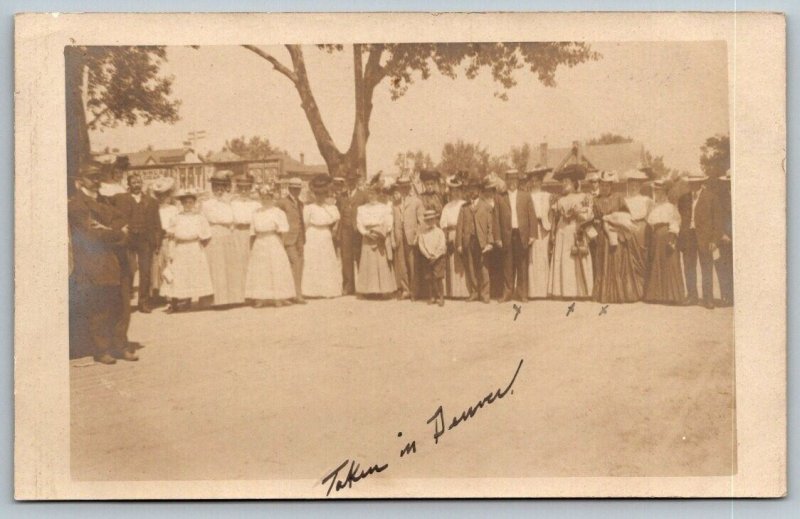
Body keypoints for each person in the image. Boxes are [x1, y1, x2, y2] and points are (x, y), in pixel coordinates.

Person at [69, 163, 137, 364]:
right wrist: (118, 232)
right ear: (79, 181)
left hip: (118, 260)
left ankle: (120, 346)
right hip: (96, 262)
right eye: (92, 177)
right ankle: (101, 349)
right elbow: (92, 234)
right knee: (101, 307)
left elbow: (123, 221)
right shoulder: (76, 206)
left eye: (98, 177)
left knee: (122, 306)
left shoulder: (106, 201)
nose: (96, 181)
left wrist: (111, 229)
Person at [111, 171, 162, 313]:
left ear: (142, 184)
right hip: (128, 239)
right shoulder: (120, 199)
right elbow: (111, 214)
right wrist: (120, 228)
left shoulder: (151, 201)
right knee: (127, 270)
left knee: (145, 272)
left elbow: (157, 224)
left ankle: (144, 303)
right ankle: (125, 303)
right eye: (133, 183)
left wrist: (157, 243)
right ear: (129, 184)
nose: (136, 185)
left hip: (145, 240)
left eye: (139, 182)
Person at [592, 170, 646, 304]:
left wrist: (615, 220)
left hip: (617, 234)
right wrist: (598, 221)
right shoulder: (595, 200)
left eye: (607, 185)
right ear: (599, 185)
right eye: (602, 185)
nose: (604, 188)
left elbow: (627, 215)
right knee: (603, 262)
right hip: (602, 236)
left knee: (617, 261)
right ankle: (604, 294)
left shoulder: (618, 198)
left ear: (611, 186)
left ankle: (620, 293)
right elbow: (593, 218)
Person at [677, 172, 723, 309]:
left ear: (701, 183)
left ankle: (708, 299)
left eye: (696, 183)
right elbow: (682, 217)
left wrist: (714, 240)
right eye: (691, 183)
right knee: (689, 267)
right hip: (688, 237)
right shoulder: (683, 198)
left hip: (705, 238)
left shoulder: (711, 198)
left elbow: (718, 221)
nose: (693, 185)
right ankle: (692, 296)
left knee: (707, 268)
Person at [245, 185, 296, 307]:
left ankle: (278, 297)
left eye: (268, 198)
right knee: (261, 270)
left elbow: (284, 230)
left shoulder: (278, 212)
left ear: (272, 198)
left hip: (273, 241)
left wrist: (280, 244)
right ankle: (260, 298)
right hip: (260, 242)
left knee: (276, 268)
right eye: (263, 198)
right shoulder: (256, 212)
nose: (265, 200)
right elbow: (252, 231)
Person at [163, 189, 214, 313]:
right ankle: (180, 300)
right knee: (180, 274)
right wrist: (171, 252)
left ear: (195, 203)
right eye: (185, 202)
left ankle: (193, 299)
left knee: (194, 273)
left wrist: (200, 244)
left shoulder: (199, 217)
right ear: (181, 203)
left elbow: (207, 234)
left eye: (191, 202)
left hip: (194, 248)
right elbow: (171, 236)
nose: (188, 205)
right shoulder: (176, 217)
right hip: (180, 248)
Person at [492, 169, 537, 302]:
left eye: (515, 180)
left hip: (521, 234)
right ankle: (507, 292)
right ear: (507, 181)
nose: (512, 183)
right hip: (507, 234)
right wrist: (497, 237)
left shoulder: (526, 196)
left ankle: (522, 293)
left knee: (522, 264)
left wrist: (532, 234)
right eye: (510, 180)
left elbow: (532, 216)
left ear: (518, 181)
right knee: (507, 264)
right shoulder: (500, 197)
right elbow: (496, 219)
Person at [547, 171, 593, 299]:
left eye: (566, 181)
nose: (563, 184)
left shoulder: (584, 196)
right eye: (562, 182)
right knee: (563, 259)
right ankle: (564, 291)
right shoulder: (559, 199)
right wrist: (553, 232)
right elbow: (554, 219)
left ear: (573, 183)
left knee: (576, 258)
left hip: (575, 229)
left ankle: (580, 292)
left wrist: (578, 213)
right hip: (562, 230)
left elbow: (589, 215)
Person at [643, 179, 685, 304]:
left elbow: (675, 222)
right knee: (656, 262)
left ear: (665, 192)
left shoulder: (671, 207)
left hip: (667, 236)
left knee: (669, 263)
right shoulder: (653, 207)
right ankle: (656, 295)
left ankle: (672, 296)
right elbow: (650, 223)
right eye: (656, 191)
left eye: (660, 191)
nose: (657, 193)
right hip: (655, 238)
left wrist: (672, 238)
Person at [200, 170, 239, 307]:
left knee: (228, 266)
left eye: (222, 187)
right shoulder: (207, 204)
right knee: (215, 267)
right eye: (216, 187)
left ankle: (228, 299)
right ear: (213, 188)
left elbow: (233, 220)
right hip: (213, 235)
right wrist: (205, 238)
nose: (219, 190)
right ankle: (215, 300)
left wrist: (231, 232)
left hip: (227, 235)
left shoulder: (229, 203)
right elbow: (204, 221)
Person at [302, 174, 343, 298]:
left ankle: (327, 290)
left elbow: (335, 219)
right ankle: (310, 290)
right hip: (312, 234)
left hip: (325, 234)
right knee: (313, 261)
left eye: (323, 195)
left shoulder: (331, 208)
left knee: (326, 261)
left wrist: (334, 226)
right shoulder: (309, 208)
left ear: (326, 195)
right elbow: (305, 222)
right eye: (318, 195)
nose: (320, 197)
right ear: (314, 195)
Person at [455, 177, 495, 303]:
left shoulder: (486, 206)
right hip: (468, 241)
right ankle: (474, 292)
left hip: (482, 241)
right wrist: (459, 244)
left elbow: (490, 226)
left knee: (483, 268)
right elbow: (459, 226)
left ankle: (485, 294)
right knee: (470, 267)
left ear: (479, 191)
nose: (472, 192)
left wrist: (489, 242)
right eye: (470, 190)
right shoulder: (464, 207)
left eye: (475, 189)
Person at [355, 184, 397, 297]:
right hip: (367, 236)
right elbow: (359, 223)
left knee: (380, 263)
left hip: (380, 235)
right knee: (368, 264)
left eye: (373, 193)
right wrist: (365, 233)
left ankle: (382, 291)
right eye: (369, 193)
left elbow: (389, 222)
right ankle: (368, 291)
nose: (371, 196)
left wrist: (381, 232)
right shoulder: (362, 208)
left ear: (378, 194)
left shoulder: (384, 207)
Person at [230, 173, 261, 304]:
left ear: (250, 189)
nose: (244, 191)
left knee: (251, 263)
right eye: (241, 188)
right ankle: (238, 295)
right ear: (237, 188)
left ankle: (252, 294)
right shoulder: (233, 203)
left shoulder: (255, 204)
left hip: (251, 234)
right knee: (237, 263)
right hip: (237, 233)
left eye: (246, 188)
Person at [276, 177, 307, 304]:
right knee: (295, 263)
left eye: (298, 189)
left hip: (300, 238)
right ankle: (296, 294)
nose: (296, 191)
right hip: (288, 238)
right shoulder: (282, 202)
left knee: (299, 264)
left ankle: (295, 293)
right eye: (294, 189)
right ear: (289, 189)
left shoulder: (300, 203)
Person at [149, 176, 179, 306]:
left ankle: (171, 295)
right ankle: (158, 294)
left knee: (170, 265)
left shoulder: (174, 209)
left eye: (164, 195)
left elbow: (177, 224)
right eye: (159, 195)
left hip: (170, 239)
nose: (162, 198)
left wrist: (171, 231)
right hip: (158, 240)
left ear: (169, 195)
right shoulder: (154, 209)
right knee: (157, 266)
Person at [336, 172, 367, 295]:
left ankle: (363, 287)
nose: (350, 183)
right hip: (345, 231)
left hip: (357, 231)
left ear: (356, 182)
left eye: (353, 181)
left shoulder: (363, 196)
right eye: (348, 181)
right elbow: (338, 213)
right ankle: (348, 286)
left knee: (360, 257)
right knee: (346, 259)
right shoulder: (341, 196)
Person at [396, 174, 425, 300]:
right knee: (401, 264)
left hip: (411, 236)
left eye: (405, 187)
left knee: (413, 264)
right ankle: (405, 289)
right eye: (401, 187)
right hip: (399, 235)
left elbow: (422, 221)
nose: (403, 189)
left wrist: (417, 234)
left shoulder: (416, 201)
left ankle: (415, 291)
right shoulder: (395, 202)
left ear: (409, 187)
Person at [439, 176, 469, 299]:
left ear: (461, 191)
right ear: (450, 192)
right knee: (451, 263)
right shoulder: (447, 206)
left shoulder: (465, 204)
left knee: (463, 262)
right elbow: (443, 225)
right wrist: (446, 238)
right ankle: (452, 292)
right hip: (451, 235)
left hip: (462, 234)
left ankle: (465, 291)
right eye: (453, 190)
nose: (455, 193)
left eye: (458, 190)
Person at [526, 167, 554, 299]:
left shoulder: (547, 196)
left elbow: (552, 214)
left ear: (541, 182)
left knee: (543, 257)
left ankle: (544, 290)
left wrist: (549, 225)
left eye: (537, 181)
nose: (535, 183)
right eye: (532, 181)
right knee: (531, 258)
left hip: (543, 228)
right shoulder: (527, 196)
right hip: (531, 229)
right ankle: (533, 291)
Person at [624, 169, 654, 260]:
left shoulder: (647, 200)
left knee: (642, 257)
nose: (633, 188)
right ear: (628, 186)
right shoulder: (623, 200)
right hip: (627, 231)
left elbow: (651, 219)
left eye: (636, 186)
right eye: (631, 185)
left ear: (640, 187)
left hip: (642, 233)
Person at [418, 209, 447, 306]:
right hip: (427, 258)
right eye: (428, 220)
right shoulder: (422, 233)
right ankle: (432, 297)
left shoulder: (440, 232)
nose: (430, 222)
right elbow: (421, 245)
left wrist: (435, 255)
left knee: (438, 278)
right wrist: (427, 255)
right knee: (429, 278)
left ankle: (441, 297)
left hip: (438, 258)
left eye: (432, 220)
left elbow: (442, 245)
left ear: (435, 220)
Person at [714, 172, 733, 306]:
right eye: (729, 181)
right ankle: (726, 296)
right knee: (723, 266)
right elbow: (716, 218)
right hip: (725, 237)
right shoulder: (720, 197)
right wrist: (721, 233)